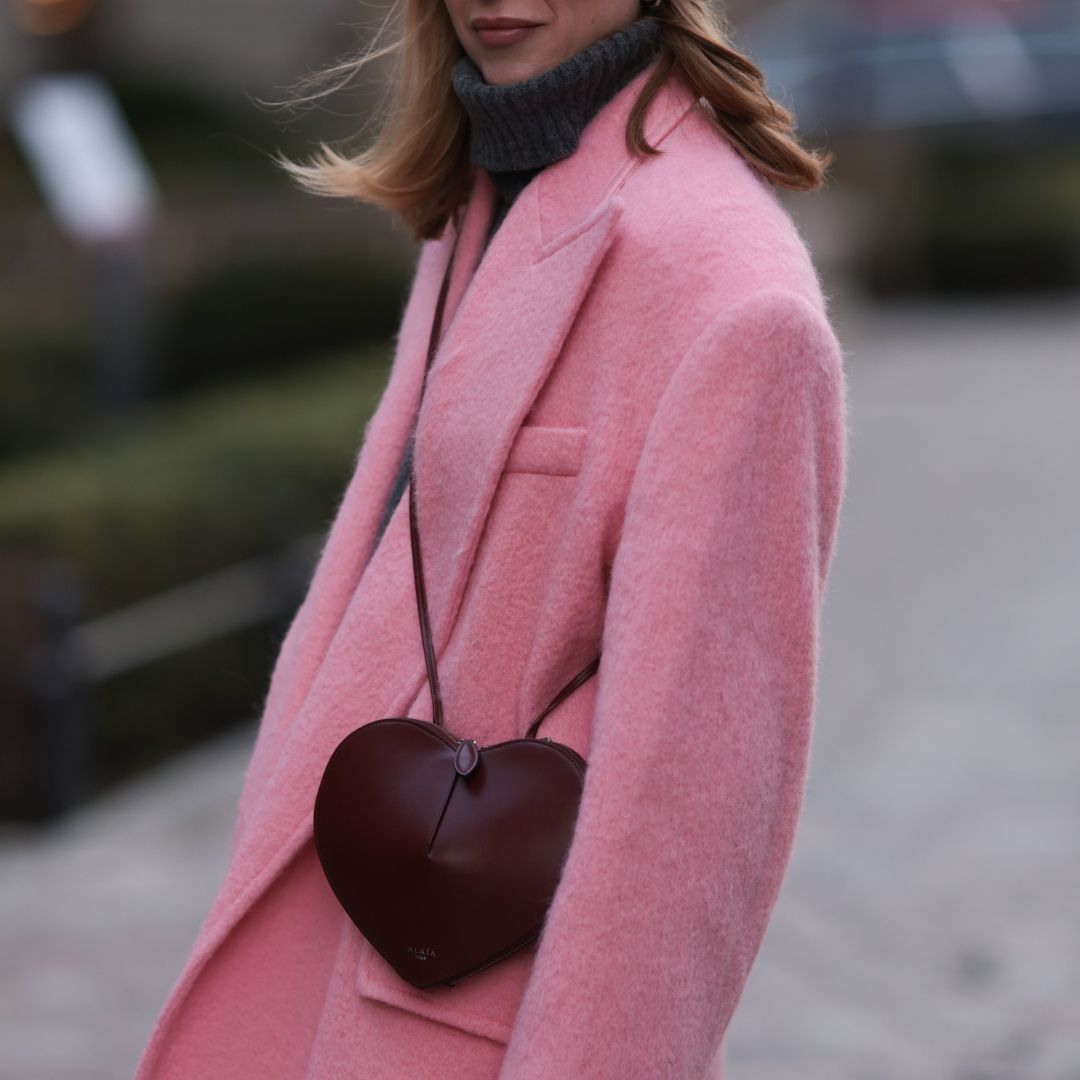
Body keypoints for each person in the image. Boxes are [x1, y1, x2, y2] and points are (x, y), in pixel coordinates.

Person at [134, 1, 849, 1077]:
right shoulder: (485, 199)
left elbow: (687, 834)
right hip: (331, 965)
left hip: (461, 1019)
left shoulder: (734, 297)